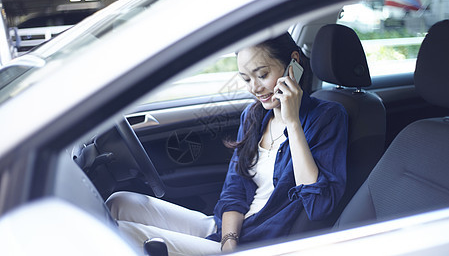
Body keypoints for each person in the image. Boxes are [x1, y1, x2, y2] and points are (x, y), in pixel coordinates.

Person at [106, 32, 348, 256]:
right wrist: (228, 241)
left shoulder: (327, 117)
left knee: (121, 234)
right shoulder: (253, 116)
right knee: (118, 203)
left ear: (293, 62)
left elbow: (319, 206)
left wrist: (292, 122)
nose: (254, 87)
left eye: (262, 75)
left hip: (257, 241)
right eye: (246, 78)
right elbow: (235, 189)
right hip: (228, 233)